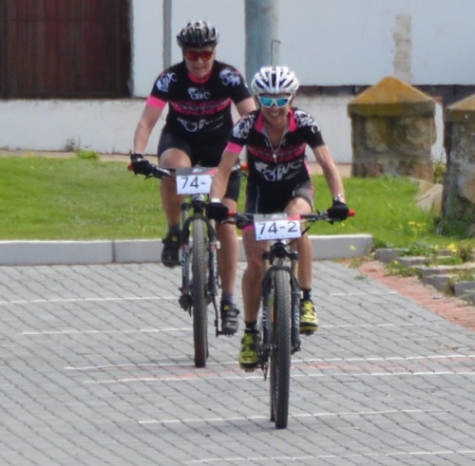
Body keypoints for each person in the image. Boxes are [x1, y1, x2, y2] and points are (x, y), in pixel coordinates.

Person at [206, 66, 349, 370]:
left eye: (281, 100)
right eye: (267, 101)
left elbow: (326, 162)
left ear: (292, 98)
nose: (274, 108)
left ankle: (307, 300)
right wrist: (216, 202)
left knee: (297, 222)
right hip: (260, 192)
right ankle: (250, 331)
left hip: (295, 186)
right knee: (256, 263)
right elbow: (223, 168)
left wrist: (339, 200)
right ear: (257, 100)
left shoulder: (305, 123)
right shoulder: (246, 127)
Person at [130, 20, 256, 336]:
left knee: (225, 222)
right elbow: (148, 121)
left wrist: (256, 157)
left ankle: (228, 301)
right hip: (180, 139)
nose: (199, 62)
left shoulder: (228, 77)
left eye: (205, 54)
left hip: (220, 148)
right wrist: (136, 154)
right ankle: (174, 231)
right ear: (183, 54)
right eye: (192, 55)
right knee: (172, 168)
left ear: (214, 53)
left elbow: (251, 119)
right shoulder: (170, 78)